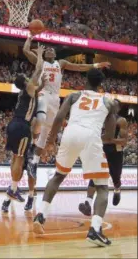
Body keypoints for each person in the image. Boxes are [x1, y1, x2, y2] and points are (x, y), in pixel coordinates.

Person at [23, 34, 111, 210]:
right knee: (39, 118)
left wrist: (95, 65)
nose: (50, 50)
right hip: (44, 94)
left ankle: (35, 160)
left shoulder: (60, 63)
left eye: (52, 49)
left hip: (55, 98)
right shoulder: (40, 62)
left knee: (48, 131)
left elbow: (78, 66)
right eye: (47, 49)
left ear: (55, 54)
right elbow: (25, 51)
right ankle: (32, 145)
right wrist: (29, 37)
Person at [33, 68, 117, 247]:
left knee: (58, 176)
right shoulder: (108, 102)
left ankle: (41, 215)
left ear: (86, 79)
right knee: (102, 187)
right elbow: (109, 135)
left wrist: (51, 139)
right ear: (101, 84)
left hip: (70, 134)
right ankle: (95, 230)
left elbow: (59, 117)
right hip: (90, 137)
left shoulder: (73, 96)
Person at [1, 44, 45, 212]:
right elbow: (39, 68)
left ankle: (13, 190)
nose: (29, 77)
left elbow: (35, 91)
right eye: (26, 77)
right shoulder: (28, 87)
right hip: (22, 126)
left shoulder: (24, 93)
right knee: (19, 159)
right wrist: (40, 54)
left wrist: (41, 87)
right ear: (26, 82)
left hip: (13, 124)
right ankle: (12, 190)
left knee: (15, 158)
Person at [79, 99, 128, 216]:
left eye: (114, 105)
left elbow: (124, 141)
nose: (111, 106)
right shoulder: (100, 118)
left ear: (118, 108)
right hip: (101, 149)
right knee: (94, 174)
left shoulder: (121, 121)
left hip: (115, 152)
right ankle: (87, 203)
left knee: (116, 177)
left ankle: (117, 189)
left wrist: (111, 140)